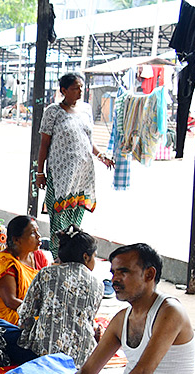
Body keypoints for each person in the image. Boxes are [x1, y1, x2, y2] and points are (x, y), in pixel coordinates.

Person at [74, 243, 195, 374]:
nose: (115, 280)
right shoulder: (121, 319)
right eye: (113, 272)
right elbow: (87, 372)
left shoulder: (170, 311)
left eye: (124, 272)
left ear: (149, 274)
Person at [35, 73, 114, 255]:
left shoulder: (86, 110)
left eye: (81, 87)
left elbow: (87, 140)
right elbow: (44, 144)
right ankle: (58, 257)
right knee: (58, 220)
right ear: (64, 91)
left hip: (82, 176)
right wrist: (40, 173)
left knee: (75, 221)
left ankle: (73, 255)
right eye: (75, 88)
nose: (80, 91)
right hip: (61, 176)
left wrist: (101, 155)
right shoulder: (53, 112)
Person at [18, 226, 104, 365]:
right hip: (82, 358)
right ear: (85, 257)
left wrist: (25, 339)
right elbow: (87, 318)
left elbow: (27, 314)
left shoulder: (47, 273)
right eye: (95, 256)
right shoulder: (98, 284)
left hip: (45, 353)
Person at [0, 214, 49, 326]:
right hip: (6, 316)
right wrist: (42, 312)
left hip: (30, 310)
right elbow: (10, 301)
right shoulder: (4, 262)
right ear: (16, 240)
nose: (39, 236)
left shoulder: (38, 257)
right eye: (33, 233)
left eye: (37, 231)